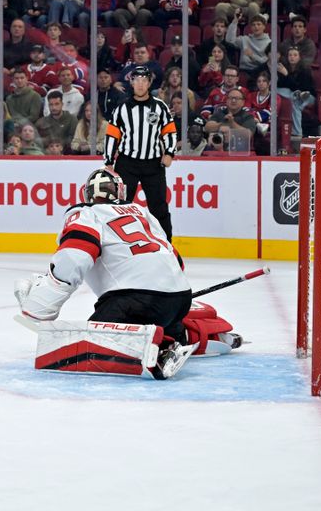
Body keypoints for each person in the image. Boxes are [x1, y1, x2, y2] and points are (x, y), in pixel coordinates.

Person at [13, 168, 201, 379]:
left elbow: (76, 255)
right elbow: (175, 259)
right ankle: (179, 336)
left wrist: (41, 305)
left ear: (88, 194)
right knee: (159, 315)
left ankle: (160, 348)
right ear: (120, 192)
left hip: (135, 300)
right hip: (180, 299)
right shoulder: (142, 212)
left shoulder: (87, 213)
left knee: (92, 345)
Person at [105, 65, 176, 240]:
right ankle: (117, 243)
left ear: (150, 83)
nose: (140, 84)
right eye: (137, 80)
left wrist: (169, 153)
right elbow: (112, 135)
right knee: (120, 205)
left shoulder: (160, 107)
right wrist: (108, 161)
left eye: (144, 80)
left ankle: (167, 244)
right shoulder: (122, 108)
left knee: (159, 207)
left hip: (153, 164)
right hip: (127, 163)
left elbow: (170, 131)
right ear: (131, 82)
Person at [276, 46, 316, 138]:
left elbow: (301, 87)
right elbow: (282, 85)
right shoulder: (284, 68)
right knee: (279, 91)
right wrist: (283, 74)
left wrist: (286, 74)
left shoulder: (305, 70)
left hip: (307, 96)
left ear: (299, 57)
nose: (292, 57)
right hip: (294, 94)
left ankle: (297, 133)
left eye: (295, 55)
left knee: (295, 102)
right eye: (290, 55)